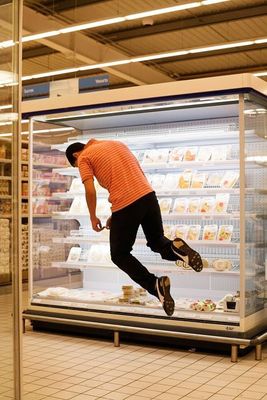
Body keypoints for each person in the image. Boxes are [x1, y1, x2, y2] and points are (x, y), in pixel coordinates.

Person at [65, 139, 203, 316]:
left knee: (119, 254)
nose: (79, 167)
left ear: (75, 155)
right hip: (148, 197)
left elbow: (90, 190)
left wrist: (93, 216)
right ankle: (176, 250)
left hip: (126, 203)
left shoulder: (84, 157)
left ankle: (155, 285)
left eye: (76, 166)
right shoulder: (116, 144)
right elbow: (131, 179)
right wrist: (116, 215)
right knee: (157, 242)